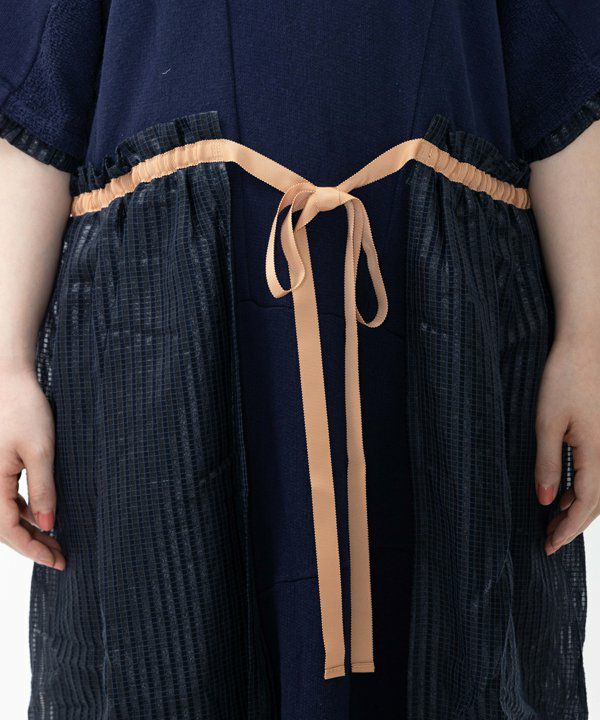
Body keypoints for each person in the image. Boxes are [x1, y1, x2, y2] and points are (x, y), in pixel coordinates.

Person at [0, 1, 599, 718]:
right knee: (164, 648)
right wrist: (6, 366)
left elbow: (564, 80)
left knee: (454, 653)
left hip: (444, 321)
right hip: (165, 331)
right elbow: (38, 98)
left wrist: (587, 340)